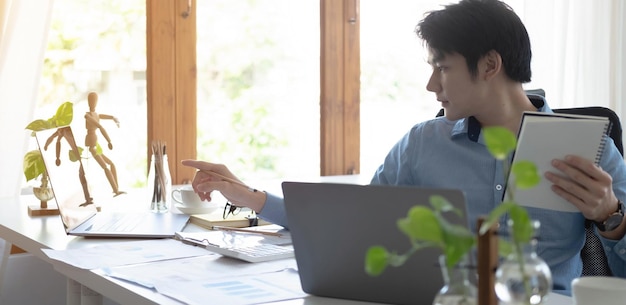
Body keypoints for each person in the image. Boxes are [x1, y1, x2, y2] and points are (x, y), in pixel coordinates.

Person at [183, 0, 626, 295]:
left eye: (442, 68)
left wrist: (610, 216)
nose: (431, 84)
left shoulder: (589, 147)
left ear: (490, 65)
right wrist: (251, 198)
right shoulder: (420, 145)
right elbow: (347, 226)